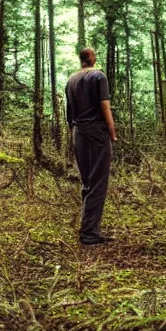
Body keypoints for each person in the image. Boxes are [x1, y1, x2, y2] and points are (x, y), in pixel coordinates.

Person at [65, 48, 117, 245]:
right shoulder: (98, 77)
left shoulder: (71, 80)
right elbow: (105, 107)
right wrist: (112, 133)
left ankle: (88, 229)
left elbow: (69, 113)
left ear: (81, 60)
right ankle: (89, 234)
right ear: (92, 59)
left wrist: (74, 134)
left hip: (79, 133)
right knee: (98, 183)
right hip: (96, 133)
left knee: (87, 182)